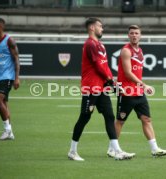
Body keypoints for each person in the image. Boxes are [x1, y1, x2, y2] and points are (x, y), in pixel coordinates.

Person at [67, 17, 134, 161]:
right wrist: (111, 81)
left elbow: (104, 66)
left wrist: (111, 82)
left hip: (101, 87)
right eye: (100, 26)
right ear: (92, 28)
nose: (102, 29)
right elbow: (98, 66)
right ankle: (72, 151)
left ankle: (117, 151)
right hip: (91, 87)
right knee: (84, 117)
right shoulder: (90, 44)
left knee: (109, 116)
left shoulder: (100, 45)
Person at [107, 25, 166, 157]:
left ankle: (155, 149)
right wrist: (144, 85)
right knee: (120, 121)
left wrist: (141, 87)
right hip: (126, 91)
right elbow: (128, 72)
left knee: (146, 119)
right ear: (128, 35)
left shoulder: (140, 50)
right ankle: (112, 149)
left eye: (136, 33)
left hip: (138, 92)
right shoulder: (126, 51)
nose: (134, 35)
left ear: (140, 35)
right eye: (131, 33)